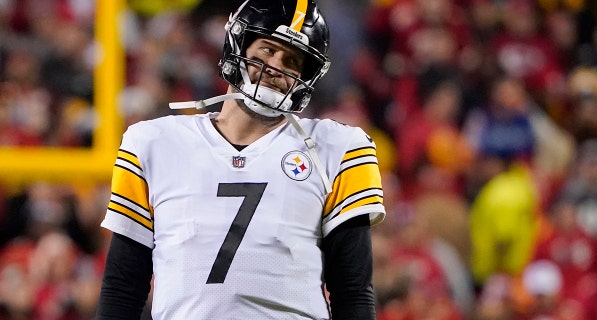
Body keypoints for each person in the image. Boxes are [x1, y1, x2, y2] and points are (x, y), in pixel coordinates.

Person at [95, 0, 386, 319]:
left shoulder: (338, 148)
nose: (277, 65)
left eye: (292, 60)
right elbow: (123, 287)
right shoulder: (152, 143)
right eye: (267, 49)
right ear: (239, 44)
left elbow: (353, 292)